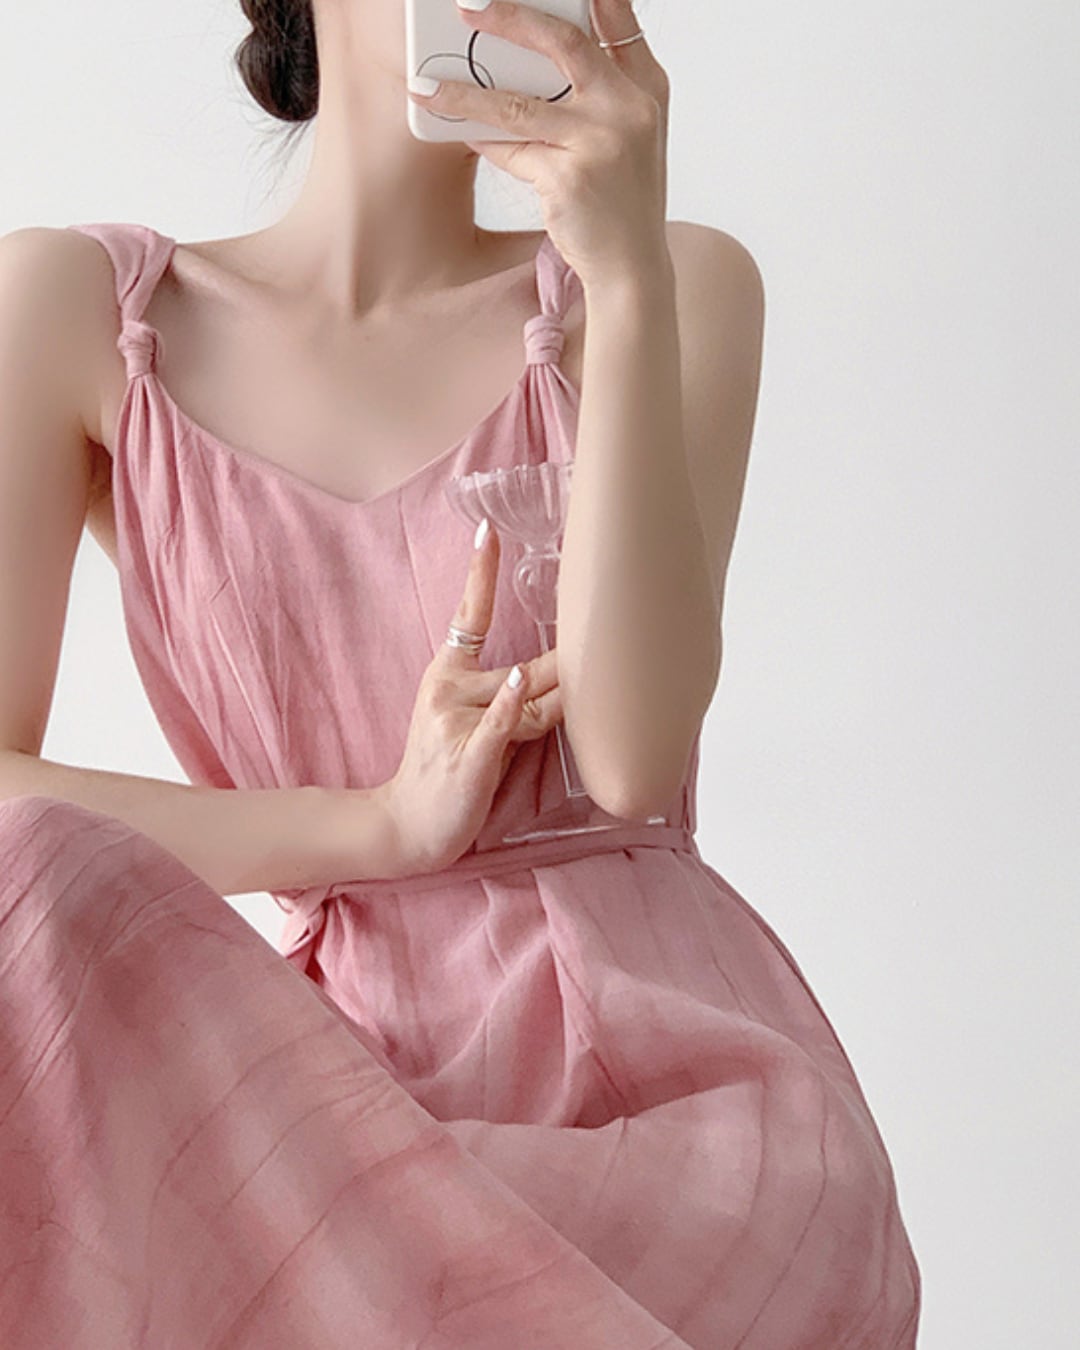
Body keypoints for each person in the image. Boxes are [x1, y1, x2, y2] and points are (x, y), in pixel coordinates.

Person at [0, 0, 920, 1345]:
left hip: (674, 1128)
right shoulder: (79, 312)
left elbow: (630, 752)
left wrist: (624, 269)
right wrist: (379, 824)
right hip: (323, 1116)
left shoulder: (671, 277)